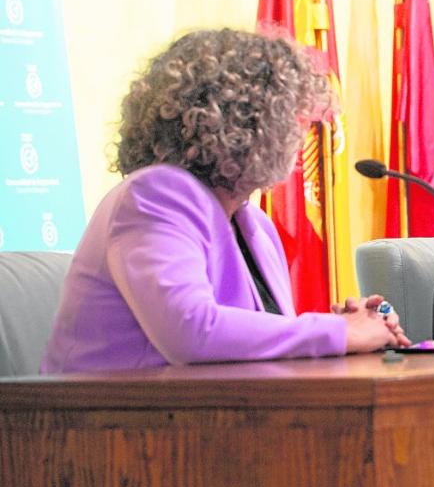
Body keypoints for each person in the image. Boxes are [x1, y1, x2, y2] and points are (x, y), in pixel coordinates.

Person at [41, 29, 409, 374]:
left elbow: (245, 348)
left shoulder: (254, 225)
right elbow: (191, 332)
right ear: (243, 124)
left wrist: (351, 328)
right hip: (101, 429)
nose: (301, 131)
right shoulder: (156, 196)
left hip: (203, 420)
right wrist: (336, 333)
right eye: (290, 114)